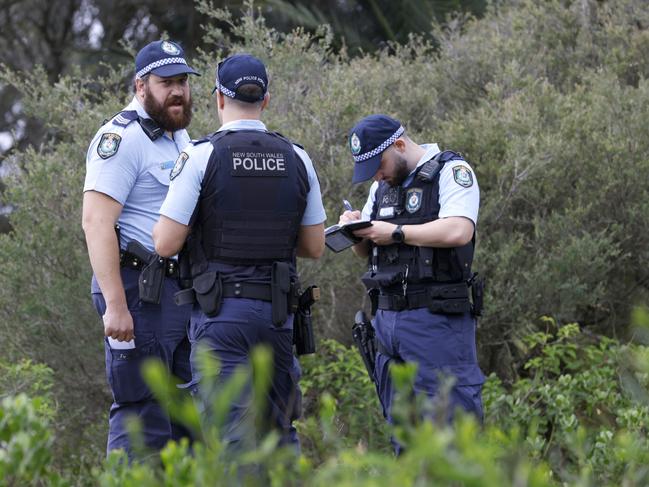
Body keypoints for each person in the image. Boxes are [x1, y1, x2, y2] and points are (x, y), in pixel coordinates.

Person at [152, 53, 326, 450]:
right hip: (278, 316)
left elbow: (165, 243)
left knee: (232, 439)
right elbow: (314, 246)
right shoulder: (297, 157)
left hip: (221, 318)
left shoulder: (200, 156)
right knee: (281, 434)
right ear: (265, 100)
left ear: (217, 98)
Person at [81, 39, 199, 456]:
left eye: (183, 81)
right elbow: (96, 221)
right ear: (140, 85)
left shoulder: (178, 135)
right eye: (166, 82)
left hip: (177, 293)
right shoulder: (120, 138)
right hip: (135, 290)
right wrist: (115, 305)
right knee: (141, 417)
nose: (178, 91)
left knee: (187, 421)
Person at [339, 114, 485, 435]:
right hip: (387, 321)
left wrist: (396, 232)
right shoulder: (381, 189)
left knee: (452, 432)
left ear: (400, 146)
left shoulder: (451, 172)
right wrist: (354, 230)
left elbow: (459, 230)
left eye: (380, 166)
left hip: (435, 320)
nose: (377, 176)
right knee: (403, 434)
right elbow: (364, 253)